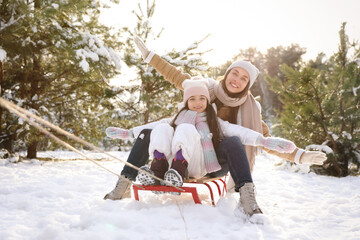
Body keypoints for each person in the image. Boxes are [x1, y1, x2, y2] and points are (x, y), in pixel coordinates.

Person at [103, 37, 327, 216]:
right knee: (154, 131)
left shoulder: (250, 109)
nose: (236, 79)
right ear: (227, 73)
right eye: (234, 73)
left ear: (247, 85)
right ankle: (124, 184)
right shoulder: (203, 90)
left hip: (214, 162)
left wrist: (299, 156)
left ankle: (248, 198)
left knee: (233, 140)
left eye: (243, 79)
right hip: (184, 152)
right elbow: (176, 76)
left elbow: (260, 139)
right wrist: (149, 56)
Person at [106, 78, 296, 198]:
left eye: (202, 98)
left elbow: (239, 131)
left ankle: (180, 172)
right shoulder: (176, 119)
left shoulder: (215, 122)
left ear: (207, 100)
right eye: (192, 99)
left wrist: (263, 140)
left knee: (189, 130)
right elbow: (150, 127)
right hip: (170, 167)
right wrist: (128, 133)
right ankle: (156, 170)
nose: (197, 103)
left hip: (198, 165)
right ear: (186, 102)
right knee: (161, 127)